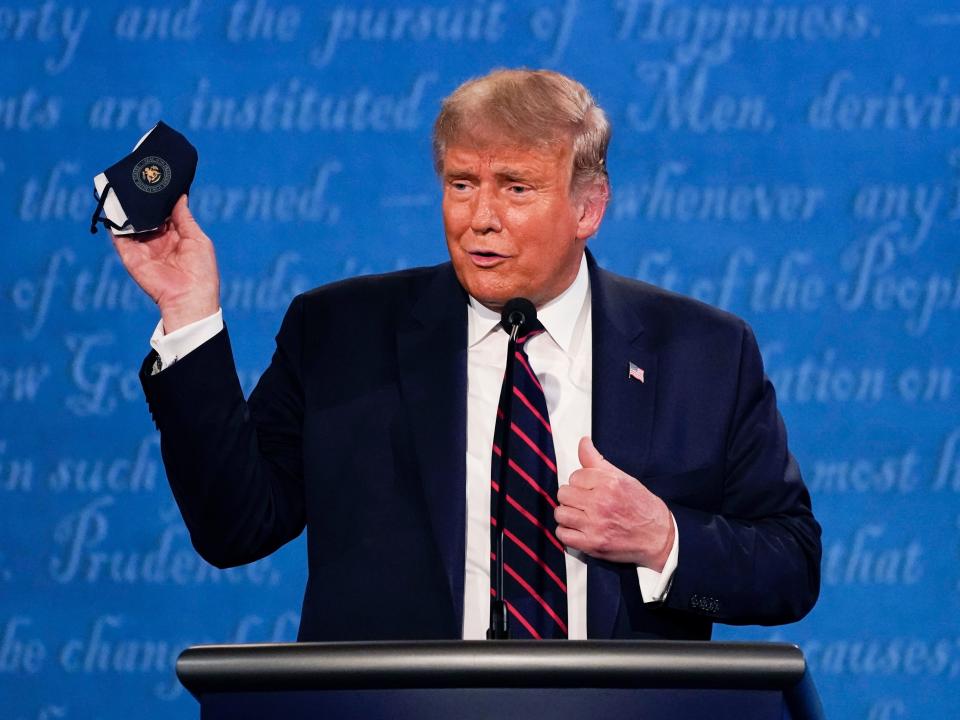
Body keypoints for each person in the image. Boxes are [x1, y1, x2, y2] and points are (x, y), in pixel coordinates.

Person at [113, 69, 821, 641]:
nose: (480, 216)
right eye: (461, 184)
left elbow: (790, 564)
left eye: (516, 188)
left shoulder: (703, 353)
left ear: (588, 207)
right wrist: (188, 314)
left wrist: (662, 537)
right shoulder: (339, 333)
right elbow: (236, 526)